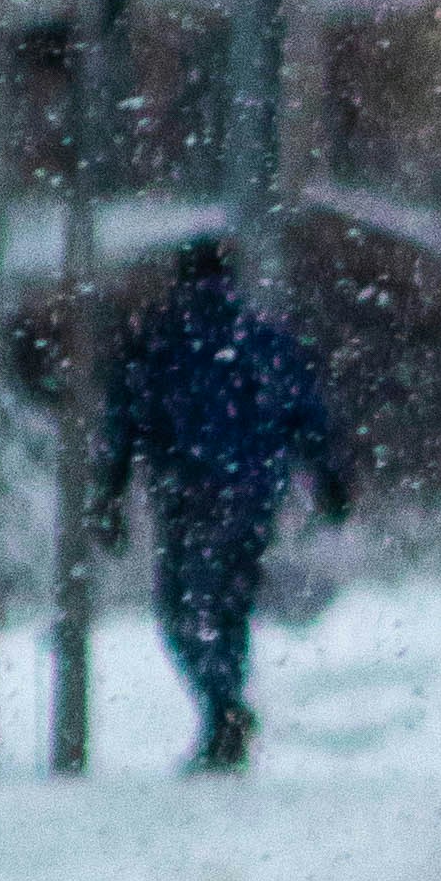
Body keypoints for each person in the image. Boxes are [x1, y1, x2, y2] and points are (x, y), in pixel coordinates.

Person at [94, 238, 349, 771]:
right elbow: (307, 414)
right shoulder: (264, 341)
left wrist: (110, 494)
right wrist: (328, 477)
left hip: (185, 490)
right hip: (253, 492)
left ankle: (220, 705)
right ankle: (224, 704)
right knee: (228, 602)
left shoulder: (156, 343)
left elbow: (123, 423)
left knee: (182, 605)